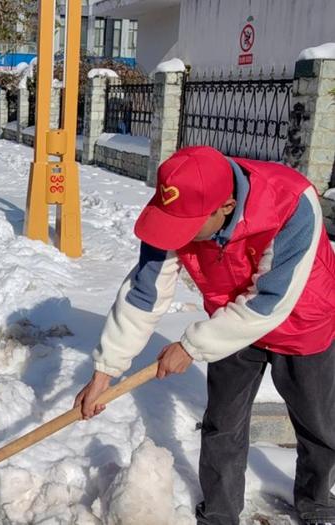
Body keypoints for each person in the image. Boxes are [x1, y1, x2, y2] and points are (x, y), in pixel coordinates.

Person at [74, 146, 335, 525]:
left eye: (187, 227)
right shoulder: (173, 210)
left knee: (318, 423)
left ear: (226, 206)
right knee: (222, 422)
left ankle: (316, 502)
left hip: (301, 320)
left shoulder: (293, 203)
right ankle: (219, 514)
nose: (175, 236)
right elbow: (145, 294)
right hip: (228, 319)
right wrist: (104, 371)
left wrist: (190, 346)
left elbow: (271, 301)